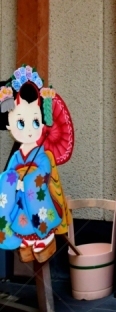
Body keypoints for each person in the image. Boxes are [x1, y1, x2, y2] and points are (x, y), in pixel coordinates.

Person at [0, 66, 70, 263]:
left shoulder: (42, 156)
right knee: (15, 204)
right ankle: (26, 241)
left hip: (36, 195)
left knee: (34, 196)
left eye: (36, 122)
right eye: (21, 123)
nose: (30, 130)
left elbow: (44, 172)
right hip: (20, 197)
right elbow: (9, 174)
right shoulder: (17, 156)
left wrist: (27, 180)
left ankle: (44, 237)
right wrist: (13, 181)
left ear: (43, 123)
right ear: (9, 125)